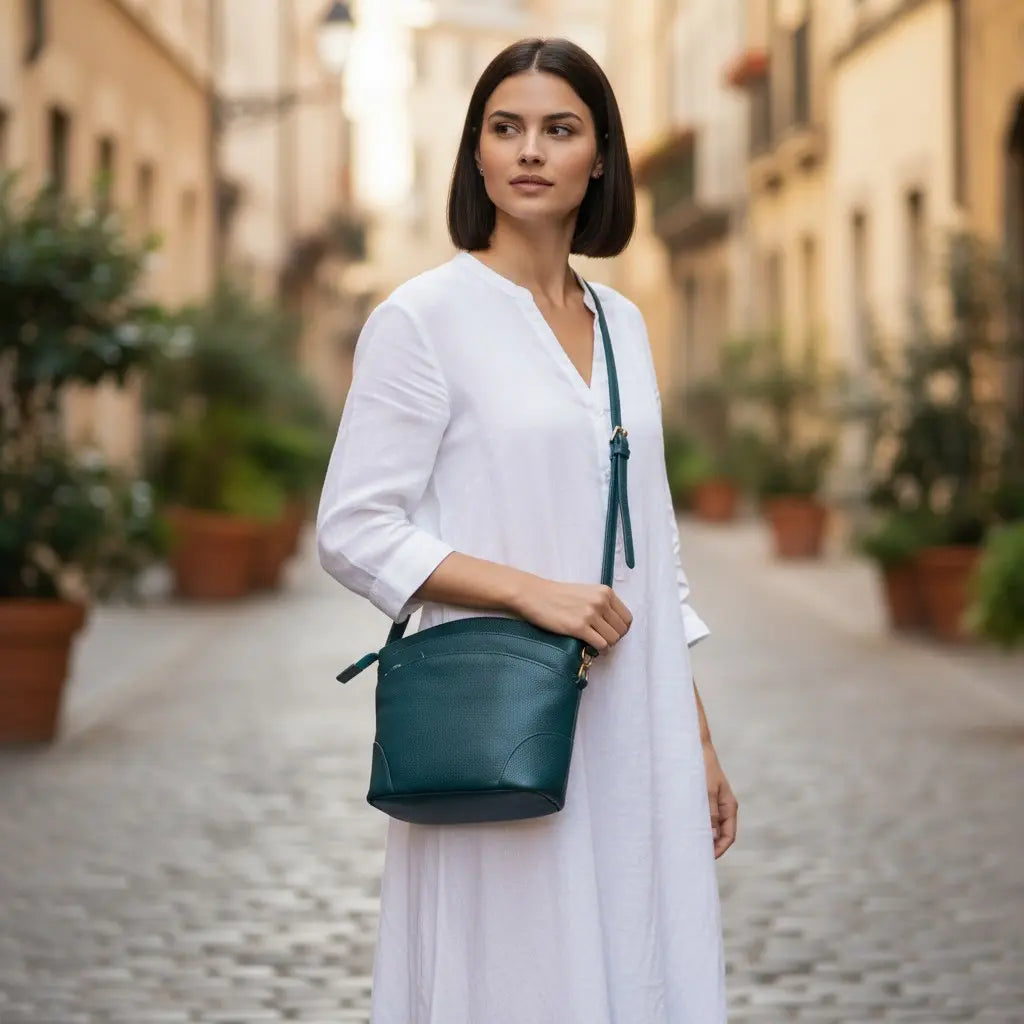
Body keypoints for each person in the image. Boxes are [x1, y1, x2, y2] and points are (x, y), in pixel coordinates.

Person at [316, 36, 738, 1024]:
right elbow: (353, 526)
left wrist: (696, 731)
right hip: (499, 703)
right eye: (504, 128)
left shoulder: (625, 323)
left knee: (635, 952)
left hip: (632, 711)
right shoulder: (422, 319)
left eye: (559, 128)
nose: (530, 150)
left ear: (601, 155)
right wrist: (527, 589)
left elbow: (652, 548)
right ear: (475, 154)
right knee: (514, 966)